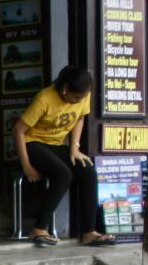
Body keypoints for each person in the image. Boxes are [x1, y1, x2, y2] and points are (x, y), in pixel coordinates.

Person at [12, 65, 115, 247]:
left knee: (88, 171)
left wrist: (74, 148)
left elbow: (80, 118)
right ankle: (39, 229)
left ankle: (89, 232)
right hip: (32, 143)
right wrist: (26, 165)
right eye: (76, 97)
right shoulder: (45, 99)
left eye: (82, 97)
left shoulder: (83, 93)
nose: (79, 101)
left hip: (57, 144)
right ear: (65, 88)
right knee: (63, 174)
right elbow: (19, 130)